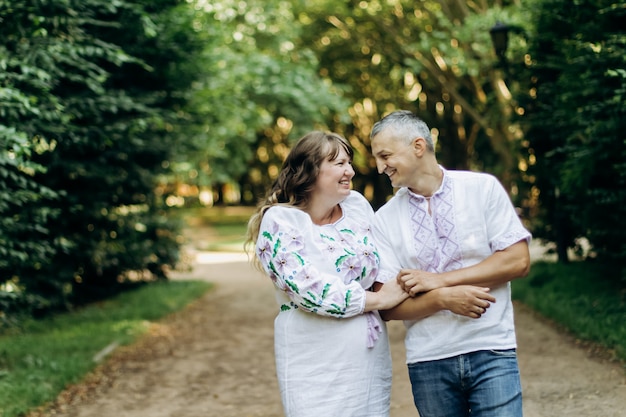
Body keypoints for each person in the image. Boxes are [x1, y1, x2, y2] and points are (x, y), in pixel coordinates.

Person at [369, 110, 532, 417]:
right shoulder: (383, 219)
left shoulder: (481, 189)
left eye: (385, 155)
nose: (380, 167)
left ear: (419, 146)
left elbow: (517, 260)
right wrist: (444, 299)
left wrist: (440, 280)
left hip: (491, 348)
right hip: (428, 358)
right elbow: (387, 306)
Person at [245, 130, 409, 417]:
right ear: (309, 171)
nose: (350, 171)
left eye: (348, 162)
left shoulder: (356, 207)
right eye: (338, 163)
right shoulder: (280, 221)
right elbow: (309, 291)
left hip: (368, 356)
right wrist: (379, 301)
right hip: (314, 358)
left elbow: (384, 261)